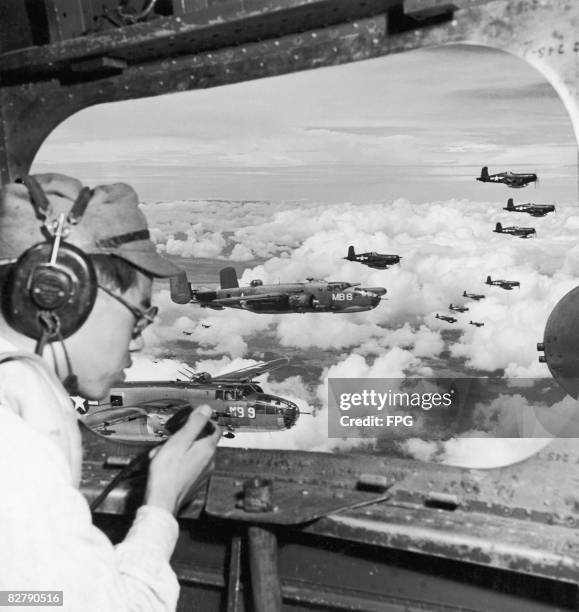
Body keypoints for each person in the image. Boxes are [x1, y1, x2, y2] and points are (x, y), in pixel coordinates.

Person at [0, 173, 220, 610]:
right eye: (138, 315)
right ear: (59, 291)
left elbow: (26, 600)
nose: (137, 341)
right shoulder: (14, 447)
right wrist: (161, 502)